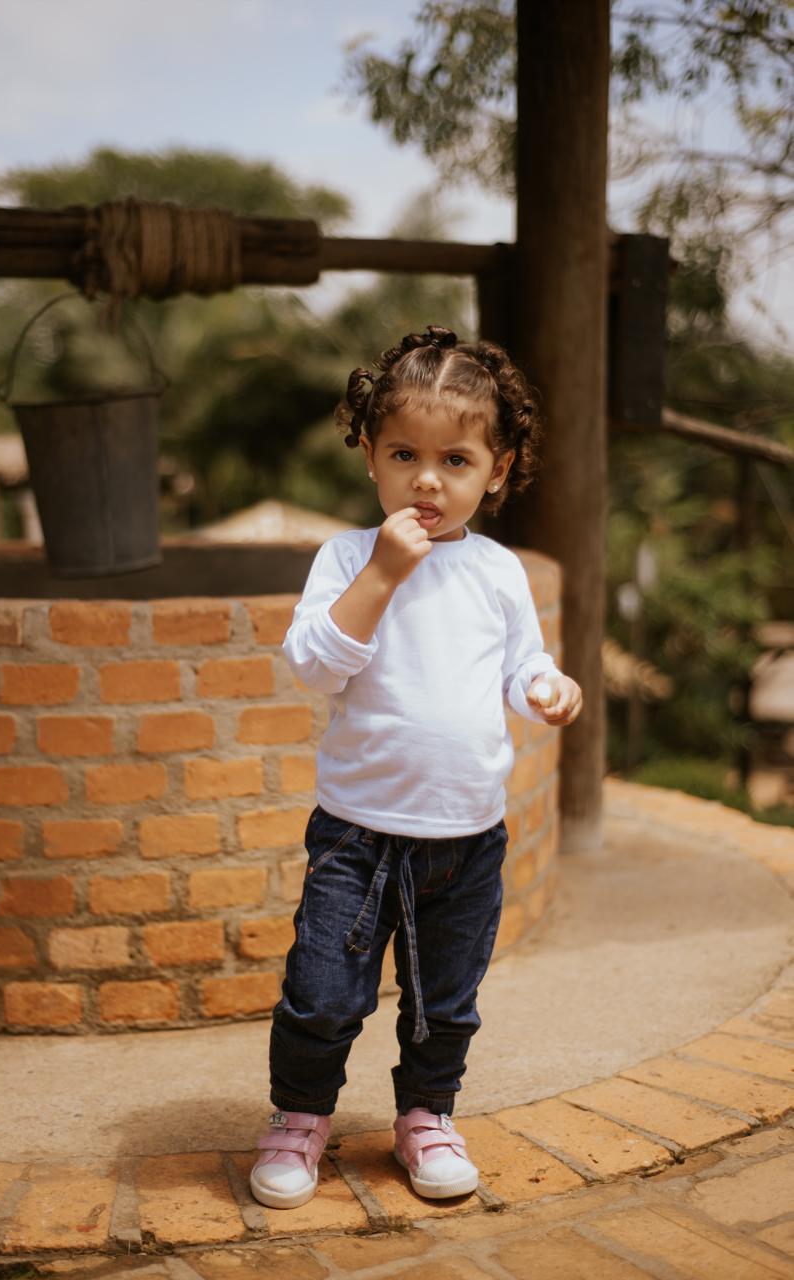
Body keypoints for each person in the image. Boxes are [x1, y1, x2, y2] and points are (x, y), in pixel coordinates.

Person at [249, 326, 582, 1210]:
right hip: (359, 835)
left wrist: (545, 686)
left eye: (456, 460)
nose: (427, 479)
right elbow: (316, 665)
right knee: (322, 992)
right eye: (404, 454)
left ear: (498, 468)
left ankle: (426, 1116)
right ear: (369, 456)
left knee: (445, 1002)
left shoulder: (498, 573)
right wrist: (384, 575)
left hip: (466, 839)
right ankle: (298, 1119)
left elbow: (517, 668)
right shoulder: (348, 560)